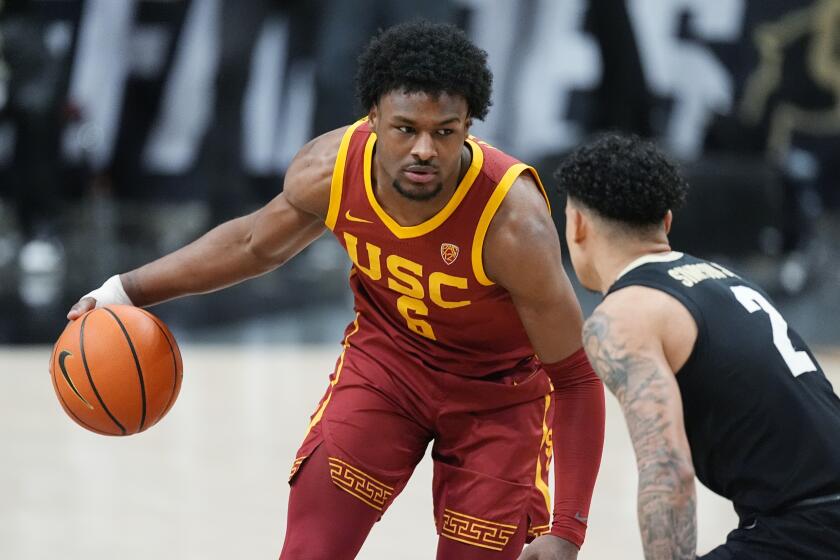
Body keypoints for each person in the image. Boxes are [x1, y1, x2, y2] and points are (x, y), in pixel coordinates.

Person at [68, 21, 605, 560]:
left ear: (468, 125)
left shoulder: (512, 224)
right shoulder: (330, 169)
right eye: (404, 128)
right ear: (372, 118)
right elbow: (254, 243)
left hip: (499, 398)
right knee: (311, 550)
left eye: (444, 131)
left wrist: (568, 529)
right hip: (387, 370)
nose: (423, 149)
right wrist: (125, 290)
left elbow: (577, 377)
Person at [555, 133, 840, 559]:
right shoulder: (719, 278)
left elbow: (666, 471)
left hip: (807, 528)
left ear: (576, 224)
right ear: (666, 222)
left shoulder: (621, 317)